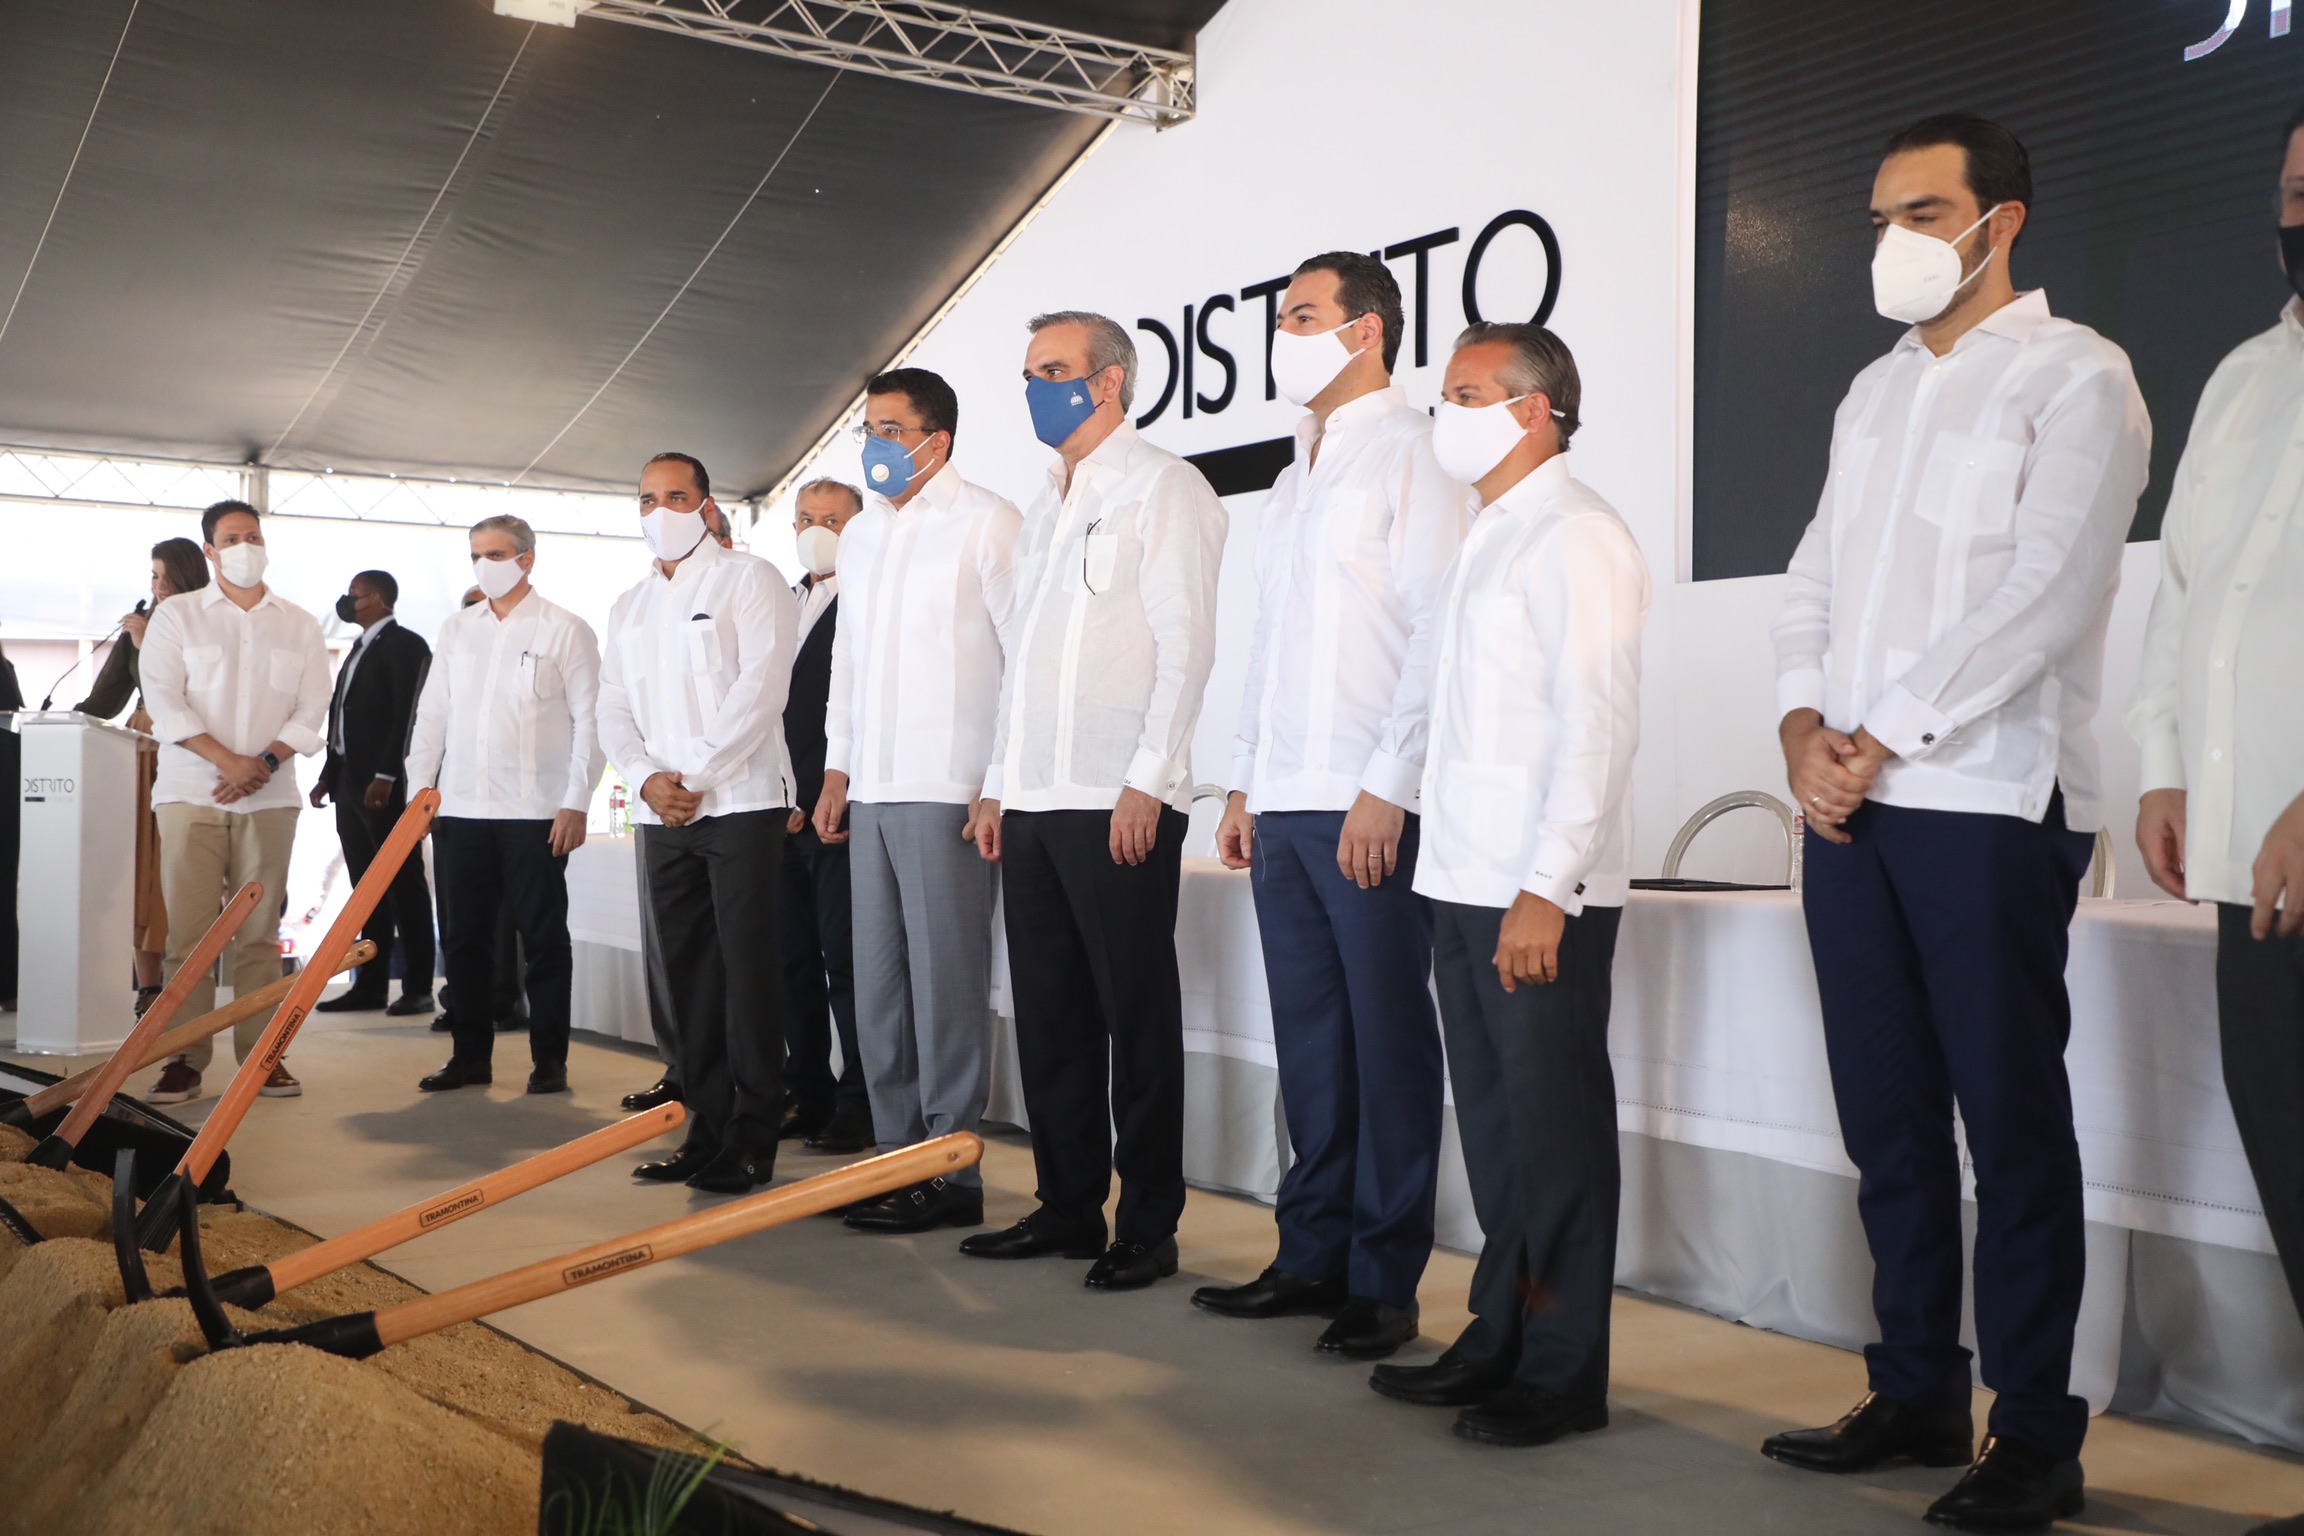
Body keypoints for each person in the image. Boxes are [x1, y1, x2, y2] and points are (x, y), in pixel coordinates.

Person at [1761, 115, 2149, 1529]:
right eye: (1883, 217)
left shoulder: (2078, 375)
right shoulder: (1872, 393)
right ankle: (1915, 1388)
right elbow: (1812, 577)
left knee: (2010, 1122)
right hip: (1849, 810)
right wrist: (1803, 728)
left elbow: (2048, 593)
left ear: (2003, 223)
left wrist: (1883, 737)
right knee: (1889, 1121)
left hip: (1986, 802)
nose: (1896, 241)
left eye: (1925, 213)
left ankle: (2035, 1433)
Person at [1363, 324, 1647, 1448]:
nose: (1447, 413)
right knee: (1496, 1133)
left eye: (1468, 394)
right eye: (1446, 393)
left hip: (1536, 892)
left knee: (1556, 1139)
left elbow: (1597, 725)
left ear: (1534, 410)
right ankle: (1500, 1336)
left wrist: (1548, 884)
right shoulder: (1488, 534)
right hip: (1461, 878)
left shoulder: (1578, 535)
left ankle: (1565, 1372)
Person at [1198, 252, 1473, 1357]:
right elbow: (1271, 644)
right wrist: (1244, 779)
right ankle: (1308, 1253)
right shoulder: (1292, 474)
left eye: (1303, 316)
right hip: (1284, 803)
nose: (1284, 336)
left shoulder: (1417, 452)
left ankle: (1383, 1279)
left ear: (1367, 331)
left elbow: (1437, 630)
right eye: (1282, 319)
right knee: (1310, 1042)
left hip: (1367, 802)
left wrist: (1388, 787)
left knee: (1387, 1041)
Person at [961, 312, 1226, 1289]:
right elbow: (1021, 663)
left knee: (1134, 1019)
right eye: (1030, 373)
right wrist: (998, 785)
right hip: (1034, 798)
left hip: (1117, 796)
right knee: (1051, 1019)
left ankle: (1147, 1227)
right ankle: (1067, 1207)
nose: (1036, 388)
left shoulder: (1165, 487)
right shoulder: (1045, 505)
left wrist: (1149, 779)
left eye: (1053, 370)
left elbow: (1186, 645)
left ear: (1108, 381)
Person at [2128, 105, 2304, 1536]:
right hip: (2256, 874)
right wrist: (2165, 761)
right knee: (2290, 1162)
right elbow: (2185, 590)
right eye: (2298, 188)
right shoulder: (2246, 376)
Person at [816, 369, 1021, 1233]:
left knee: (947, 987)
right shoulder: (863, 535)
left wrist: (997, 783)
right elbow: (848, 660)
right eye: (867, 428)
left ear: (937, 440)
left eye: (890, 429)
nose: (874, 444)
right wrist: (838, 768)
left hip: (950, 787)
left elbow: (1022, 662)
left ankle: (951, 1169)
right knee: (878, 987)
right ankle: (893, 1156)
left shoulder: (989, 522)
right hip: (873, 785)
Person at [597, 452, 800, 1194]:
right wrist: (646, 779)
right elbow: (612, 705)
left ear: (707, 505)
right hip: (664, 811)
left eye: (676, 497)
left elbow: (762, 689)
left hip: (740, 802)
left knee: (747, 976)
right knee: (687, 977)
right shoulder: (629, 605)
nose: (661, 512)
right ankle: (704, 1130)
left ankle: (753, 1137)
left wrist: (695, 777)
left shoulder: (751, 579)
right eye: (647, 499)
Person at [139, 499, 331, 1103]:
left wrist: (263, 763)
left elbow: (312, 707)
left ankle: (263, 1057)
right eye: (231, 539)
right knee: (189, 939)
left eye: (253, 536)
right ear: (210, 551)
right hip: (190, 795)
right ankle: (183, 1059)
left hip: (269, 799)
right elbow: (164, 701)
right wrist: (230, 762)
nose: (245, 547)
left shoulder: (299, 623)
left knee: (260, 937)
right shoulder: (177, 617)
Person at [403, 515, 603, 1095]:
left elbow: (590, 722)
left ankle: (549, 1061)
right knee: (463, 940)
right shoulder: (456, 629)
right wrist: (421, 794)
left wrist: (576, 802)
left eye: (495, 554)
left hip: (536, 812)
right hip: (461, 809)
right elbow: (432, 716)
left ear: (526, 559)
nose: (483, 566)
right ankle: (470, 1057)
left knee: (543, 940)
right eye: (476, 555)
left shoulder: (566, 629)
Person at [779, 476, 875, 1154]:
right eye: (807, 519)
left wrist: (817, 793)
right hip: (776, 813)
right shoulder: (781, 601)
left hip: (836, 811)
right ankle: (805, 1091)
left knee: (848, 963)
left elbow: (857, 713)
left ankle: (860, 1101)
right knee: (790, 962)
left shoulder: (870, 598)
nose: (817, 530)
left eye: (832, 520)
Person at [77, 537, 211, 1013]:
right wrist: (62, 723)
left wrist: (146, 643)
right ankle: (148, 985)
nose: (157, 587)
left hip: (189, 746)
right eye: (153, 577)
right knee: (141, 869)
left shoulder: (208, 622)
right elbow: (104, 699)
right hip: (142, 749)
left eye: (165, 577)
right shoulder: (143, 622)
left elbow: (195, 690)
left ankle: (184, 982)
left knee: (175, 869)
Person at [311, 569, 437, 1017]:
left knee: (403, 883)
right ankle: (370, 984)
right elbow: (342, 718)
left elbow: (408, 714)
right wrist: (329, 773)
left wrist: (387, 774)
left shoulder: (405, 645)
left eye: (355, 595)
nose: (348, 602)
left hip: (385, 785)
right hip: (349, 781)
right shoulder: (358, 648)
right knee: (365, 886)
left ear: (379, 599)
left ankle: (418, 986)